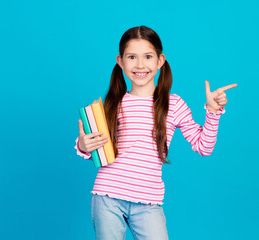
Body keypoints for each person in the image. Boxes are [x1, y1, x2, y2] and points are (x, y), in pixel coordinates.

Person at [74, 25, 237, 240]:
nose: (140, 64)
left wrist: (213, 113)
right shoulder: (112, 103)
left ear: (160, 60)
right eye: (131, 57)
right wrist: (82, 145)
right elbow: (94, 144)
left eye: (148, 56)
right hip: (107, 196)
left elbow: (203, 147)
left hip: (148, 202)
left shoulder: (174, 104)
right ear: (120, 61)